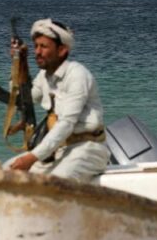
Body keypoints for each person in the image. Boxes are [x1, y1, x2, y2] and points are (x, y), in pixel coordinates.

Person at [7, 19, 110, 181]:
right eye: (36, 46)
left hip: (88, 150)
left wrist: (32, 157)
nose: (38, 52)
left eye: (44, 47)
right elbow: (23, 101)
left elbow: (66, 124)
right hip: (57, 151)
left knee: (54, 185)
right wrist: (19, 63)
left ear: (62, 50)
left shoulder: (77, 75)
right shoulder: (44, 76)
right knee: (2, 174)